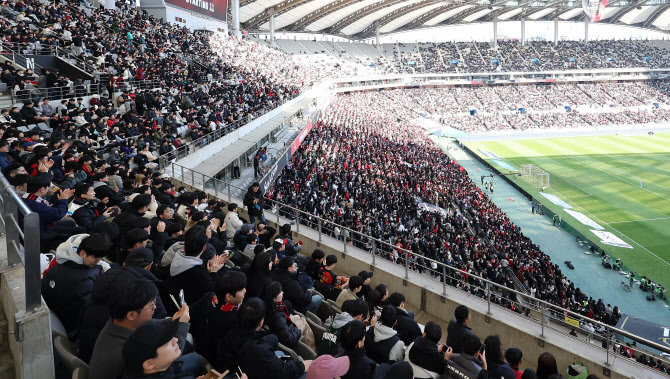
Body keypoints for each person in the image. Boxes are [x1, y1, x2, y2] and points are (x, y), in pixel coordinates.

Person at [88, 279, 197, 379]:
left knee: (195, 359)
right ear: (131, 315)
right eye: (151, 305)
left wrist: (174, 321)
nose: (155, 307)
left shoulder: (119, 320)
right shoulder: (125, 352)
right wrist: (181, 324)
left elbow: (150, 324)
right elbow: (170, 359)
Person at [221, 298, 310, 379]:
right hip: (252, 370)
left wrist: (272, 360)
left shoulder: (229, 331)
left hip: (243, 365)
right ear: (260, 323)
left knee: (273, 340)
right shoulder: (259, 351)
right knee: (305, 374)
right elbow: (284, 372)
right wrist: (302, 365)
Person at [41, 233, 111, 335]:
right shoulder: (84, 282)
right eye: (95, 259)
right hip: (69, 328)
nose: (97, 262)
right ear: (82, 253)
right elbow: (87, 312)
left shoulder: (61, 260)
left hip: (53, 316)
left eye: (100, 259)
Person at [165, 226, 226, 309]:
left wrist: (208, 263)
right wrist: (213, 272)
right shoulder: (199, 275)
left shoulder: (175, 258)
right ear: (204, 248)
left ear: (184, 247)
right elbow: (212, 292)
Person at [263, 281, 302, 348]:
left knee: (298, 317)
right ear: (274, 297)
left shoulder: (264, 307)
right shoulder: (277, 318)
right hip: (286, 338)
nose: (282, 293)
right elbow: (289, 340)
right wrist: (298, 331)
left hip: (280, 333)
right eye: (280, 292)